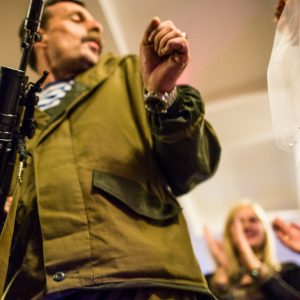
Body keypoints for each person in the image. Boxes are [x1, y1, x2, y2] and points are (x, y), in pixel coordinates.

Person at [0, 0, 221, 299]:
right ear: (40, 34)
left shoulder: (130, 72)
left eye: (94, 21)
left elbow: (193, 169)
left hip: (141, 278)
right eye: (77, 18)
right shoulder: (12, 114)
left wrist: (164, 96)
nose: (96, 26)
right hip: (34, 287)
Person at [204, 201, 300, 300]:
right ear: (229, 233)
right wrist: (222, 272)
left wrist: (252, 263)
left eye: (253, 220)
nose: (246, 226)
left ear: (264, 229)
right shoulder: (209, 281)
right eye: (239, 222)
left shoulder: (289, 271)